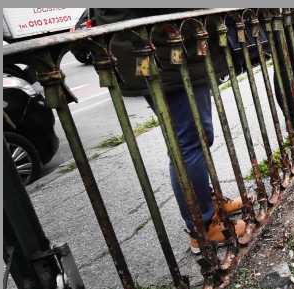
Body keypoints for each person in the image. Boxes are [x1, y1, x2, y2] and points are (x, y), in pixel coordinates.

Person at [93, 9, 246, 254]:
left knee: (196, 137)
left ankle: (206, 204)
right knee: (189, 141)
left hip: (167, 45)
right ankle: (203, 228)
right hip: (162, 49)